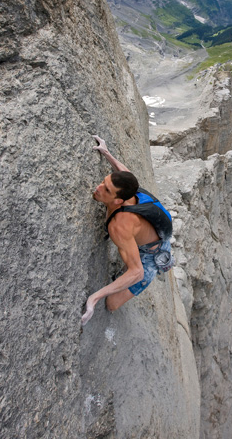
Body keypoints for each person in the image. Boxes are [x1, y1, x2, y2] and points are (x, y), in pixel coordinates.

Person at [81, 135, 173, 326]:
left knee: (112, 303)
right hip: (148, 238)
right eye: (103, 182)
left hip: (150, 257)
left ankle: (153, 267)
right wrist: (106, 152)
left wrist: (94, 299)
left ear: (118, 202)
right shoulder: (132, 189)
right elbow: (125, 172)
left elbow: (138, 272)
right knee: (128, 263)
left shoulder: (119, 225)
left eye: (106, 190)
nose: (98, 188)